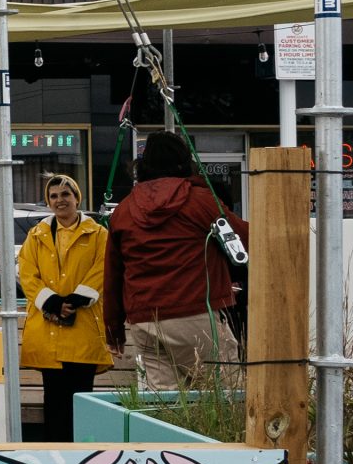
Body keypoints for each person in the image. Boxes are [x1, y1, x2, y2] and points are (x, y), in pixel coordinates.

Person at [104, 130, 248, 391]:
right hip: (194, 313)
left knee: (164, 411)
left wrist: (113, 329)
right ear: (185, 161)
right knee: (225, 399)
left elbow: (113, 274)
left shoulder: (124, 209)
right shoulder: (200, 200)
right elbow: (244, 239)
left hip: (144, 321)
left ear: (143, 165)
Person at [19, 175, 110, 440]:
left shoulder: (99, 234)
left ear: (77, 198)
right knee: (54, 404)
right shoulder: (35, 235)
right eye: (54, 196)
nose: (60, 200)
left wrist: (75, 300)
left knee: (80, 402)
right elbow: (27, 273)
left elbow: (103, 268)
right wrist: (53, 302)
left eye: (65, 195)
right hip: (49, 333)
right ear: (48, 202)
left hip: (82, 331)